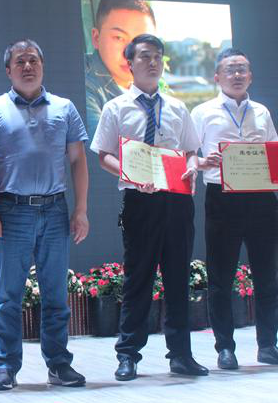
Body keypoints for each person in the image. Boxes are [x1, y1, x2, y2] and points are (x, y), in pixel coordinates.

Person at [90, 34, 209, 380]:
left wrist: (192, 166)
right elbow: (103, 155)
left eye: (157, 56)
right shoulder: (116, 107)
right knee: (138, 279)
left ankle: (181, 355)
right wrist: (130, 173)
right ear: (130, 63)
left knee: (178, 278)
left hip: (178, 200)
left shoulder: (177, 107)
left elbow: (191, 151)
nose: (152, 62)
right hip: (140, 200)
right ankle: (128, 355)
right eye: (145, 56)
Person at [0, 39, 89, 391]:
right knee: (9, 297)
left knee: (56, 296)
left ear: (43, 65)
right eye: (20, 61)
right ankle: (6, 367)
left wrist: (81, 210)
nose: (28, 66)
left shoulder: (65, 107)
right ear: (8, 70)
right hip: (12, 211)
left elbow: (78, 161)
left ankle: (59, 364)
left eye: (34, 60)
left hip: (55, 210)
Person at [190, 48, 278, 370]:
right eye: (230, 70)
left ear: (250, 76)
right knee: (221, 278)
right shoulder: (202, 112)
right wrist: (202, 162)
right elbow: (186, 155)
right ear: (217, 77)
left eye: (242, 69)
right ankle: (225, 348)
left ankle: (269, 346)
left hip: (262, 198)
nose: (236, 75)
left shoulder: (262, 111)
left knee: (267, 276)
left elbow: (274, 152)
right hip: (222, 198)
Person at [85, 0, 157, 137]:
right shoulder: (84, 82)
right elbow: (101, 148)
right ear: (96, 38)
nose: (131, 54)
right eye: (119, 38)